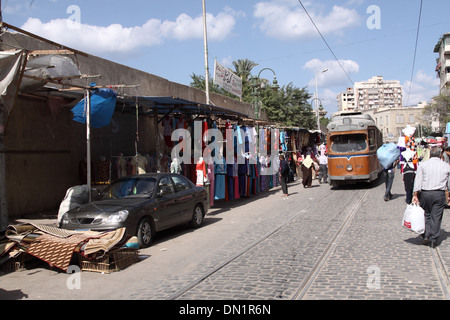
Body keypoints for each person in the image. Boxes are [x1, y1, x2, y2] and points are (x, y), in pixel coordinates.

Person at [412, 147, 450, 248]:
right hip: (439, 194)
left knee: (426, 214)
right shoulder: (446, 166)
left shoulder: (423, 165)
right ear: (440, 154)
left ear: (430, 154)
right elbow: (449, 183)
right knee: (436, 217)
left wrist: (415, 194)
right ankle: (433, 239)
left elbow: (418, 181)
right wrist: (448, 195)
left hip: (425, 193)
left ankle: (426, 234)